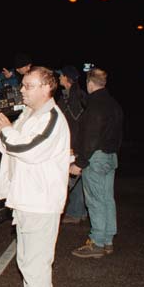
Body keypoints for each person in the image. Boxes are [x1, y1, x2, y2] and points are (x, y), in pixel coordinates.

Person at [0, 66, 70, 287]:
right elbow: (10, 148)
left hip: (40, 203)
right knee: (28, 264)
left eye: (28, 85)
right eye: (23, 85)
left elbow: (28, 150)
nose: (21, 90)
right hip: (26, 201)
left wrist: (8, 130)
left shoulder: (51, 118)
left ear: (46, 88)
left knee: (36, 266)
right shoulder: (29, 114)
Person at [70, 67, 124, 258]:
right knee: (107, 198)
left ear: (90, 83)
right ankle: (108, 239)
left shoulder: (95, 106)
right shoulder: (113, 104)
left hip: (96, 157)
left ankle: (97, 242)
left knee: (95, 200)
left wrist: (80, 162)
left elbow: (91, 137)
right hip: (111, 157)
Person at [56, 65, 88, 225]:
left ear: (67, 78)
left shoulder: (73, 97)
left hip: (72, 145)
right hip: (78, 144)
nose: (59, 77)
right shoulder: (76, 95)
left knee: (68, 179)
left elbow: (74, 124)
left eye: (61, 75)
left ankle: (75, 213)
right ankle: (79, 212)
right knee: (80, 179)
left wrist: (72, 146)